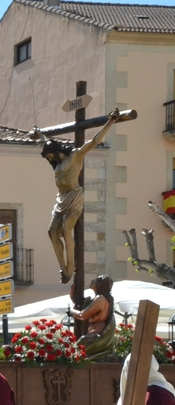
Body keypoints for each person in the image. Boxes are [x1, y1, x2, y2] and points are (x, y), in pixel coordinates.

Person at [36, 110, 118, 284]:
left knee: (66, 229)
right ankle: (64, 268)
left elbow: (95, 141)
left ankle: (70, 267)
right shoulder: (56, 162)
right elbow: (47, 141)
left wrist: (109, 122)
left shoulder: (75, 156)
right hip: (61, 199)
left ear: (55, 150)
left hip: (74, 197)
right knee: (51, 232)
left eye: (48, 154)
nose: (48, 157)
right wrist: (39, 134)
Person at [68, 275, 116, 360]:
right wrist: (74, 299)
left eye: (95, 280)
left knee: (77, 351)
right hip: (95, 329)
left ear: (99, 284)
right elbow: (86, 310)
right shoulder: (105, 298)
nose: (92, 281)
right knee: (78, 353)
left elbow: (82, 315)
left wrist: (71, 310)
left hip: (96, 331)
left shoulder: (100, 298)